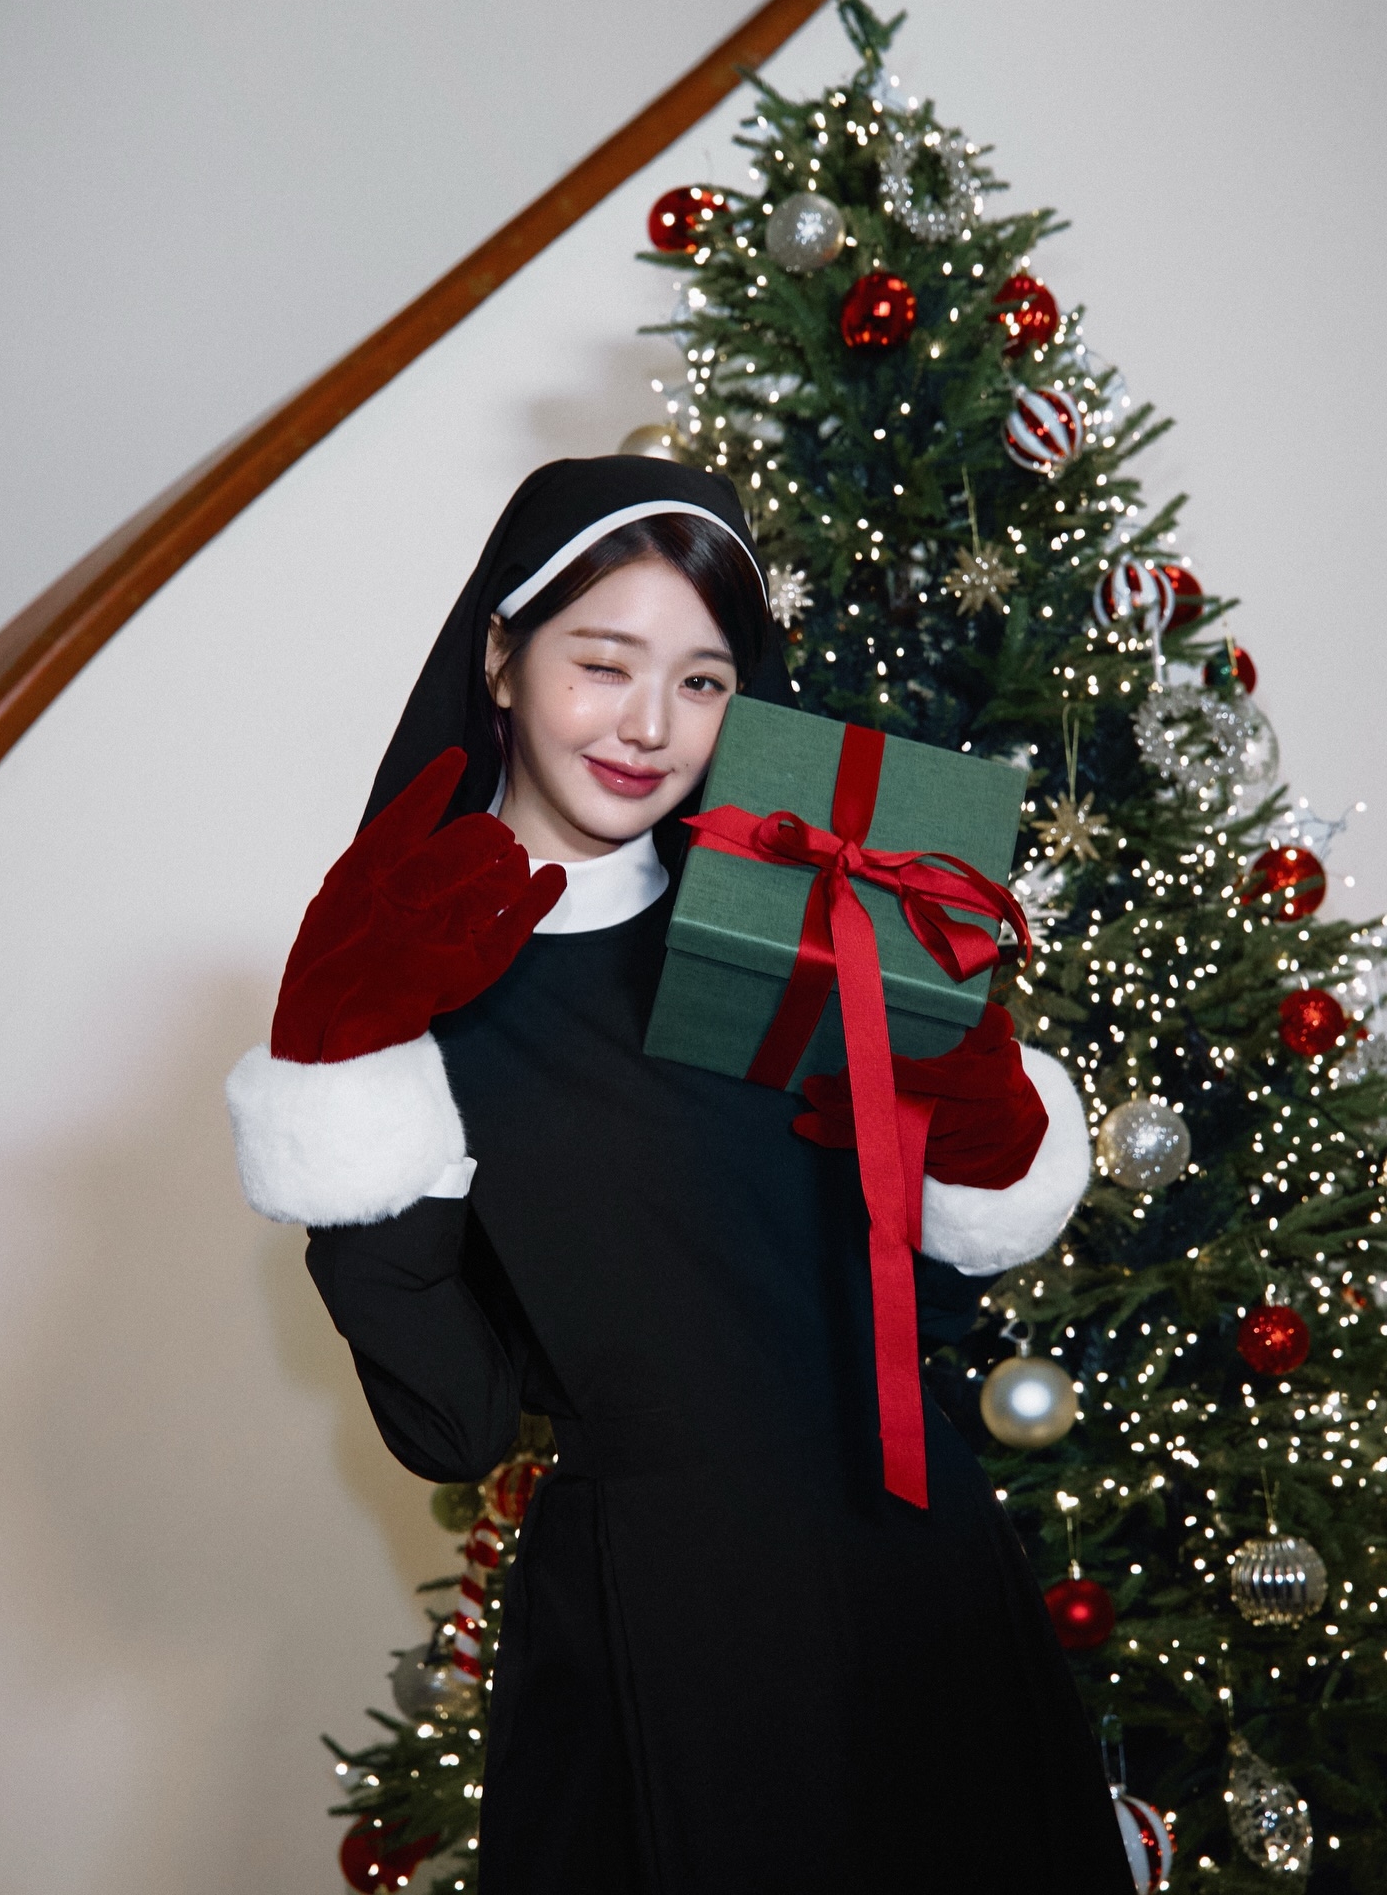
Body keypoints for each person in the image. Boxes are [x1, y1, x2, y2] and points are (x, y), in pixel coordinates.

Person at [227, 456, 1134, 1893]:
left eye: (702, 682)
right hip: (660, 1631)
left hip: (915, 1581)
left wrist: (977, 1114)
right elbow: (458, 1425)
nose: (649, 726)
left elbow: (925, 1286)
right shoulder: (409, 979)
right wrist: (340, 1075)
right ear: (500, 658)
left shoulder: (808, 923)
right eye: (603, 664)